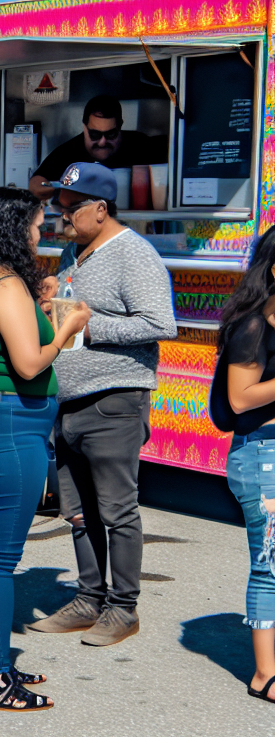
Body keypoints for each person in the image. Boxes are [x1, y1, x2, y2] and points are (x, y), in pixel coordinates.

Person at [0, 188, 90, 711]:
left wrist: (43, 307)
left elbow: (9, 346)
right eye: (36, 223)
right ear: (17, 227)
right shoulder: (7, 285)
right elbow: (31, 364)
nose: (42, 230)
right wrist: (69, 326)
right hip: (7, 425)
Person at [28, 163, 176, 646]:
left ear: (101, 208)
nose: (60, 216)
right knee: (77, 510)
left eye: (70, 208)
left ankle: (123, 608)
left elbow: (160, 323)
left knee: (117, 510)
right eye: (58, 206)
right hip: (70, 401)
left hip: (113, 399)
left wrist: (91, 327)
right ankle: (89, 597)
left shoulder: (134, 254)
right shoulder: (76, 251)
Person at [211, 228, 275, 702]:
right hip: (262, 455)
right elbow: (240, 397)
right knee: (269, 565)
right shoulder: (253, 326)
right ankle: (264, 675)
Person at [28, 96, 166, 201]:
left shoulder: (139, 144)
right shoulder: (69, 152)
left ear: (120, 126)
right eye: (95, 134)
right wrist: (52, 188)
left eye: (110, 134)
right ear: (84, 127)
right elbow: (35, 184)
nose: (102, 142)